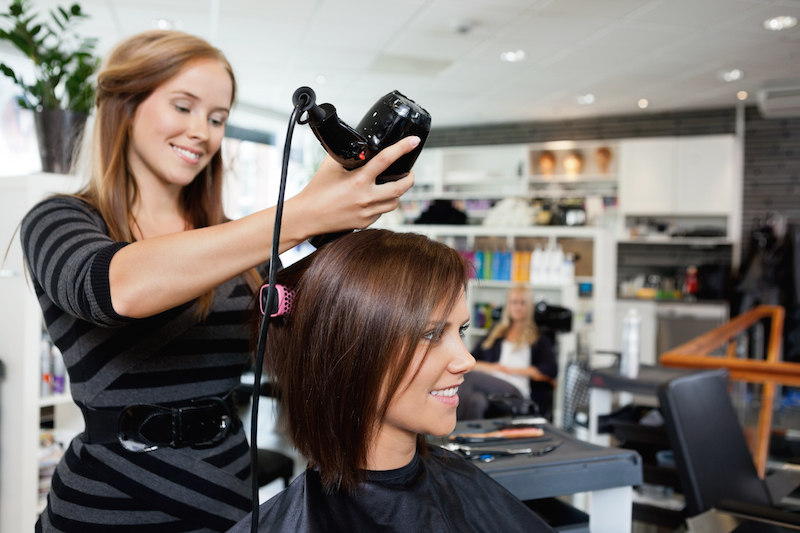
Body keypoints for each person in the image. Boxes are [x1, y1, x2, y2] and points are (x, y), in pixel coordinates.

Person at [21, 30, 417, 533]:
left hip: (230, 497)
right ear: (125, 106)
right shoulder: (60, 220)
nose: (202, 132)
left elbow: (304, 340)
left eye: (217, 118)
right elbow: (115, 289)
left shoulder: (236, 243)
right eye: (183, 107)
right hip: (107, 505)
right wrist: (299, 214)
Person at [228, 229, 556, 533]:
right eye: (432, 333)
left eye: (462, 330)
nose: (466, 360)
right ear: (352, 351)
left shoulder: (461, 485)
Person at [457, 285, 558, 421]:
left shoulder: (539, 338)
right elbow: (470, 360)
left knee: (468, 378)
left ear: (530, 307)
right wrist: (493, 368)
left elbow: (551, 369)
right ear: (507, 306)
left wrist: (512, 370)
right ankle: (468, 439)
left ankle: (448, 431)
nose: (517, 307)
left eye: (522, 303)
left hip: (517, 394)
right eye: (513, 302)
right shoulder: (496, 334)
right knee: (476, 400)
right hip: (491, 389)